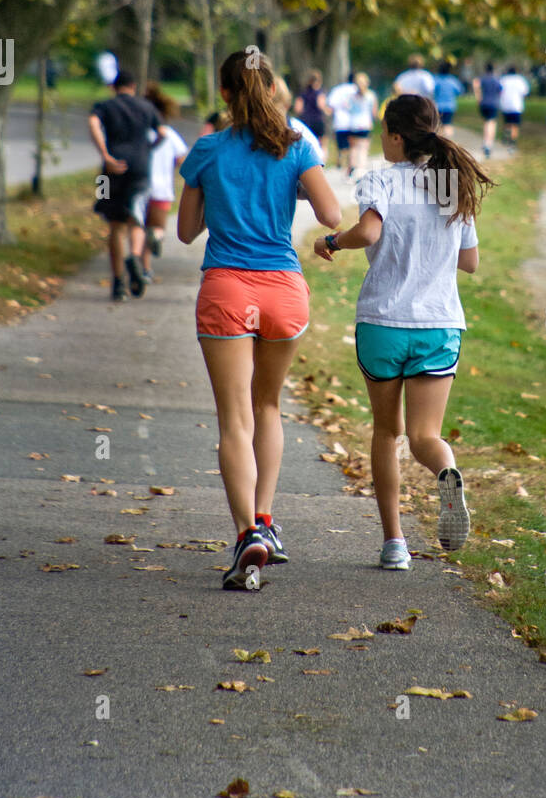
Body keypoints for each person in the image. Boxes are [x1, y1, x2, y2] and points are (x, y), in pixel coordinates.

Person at [177, 49, 341, 590]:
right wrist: (286, 184)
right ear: (271, 90)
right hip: (284, 291)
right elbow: (331, 215)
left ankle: (246, 531)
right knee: (267, 405)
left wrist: (223, 197)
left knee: (233, 421)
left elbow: (185, 230)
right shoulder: (297, 143)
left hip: (226, 288)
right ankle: (266, 525)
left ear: (224, 93)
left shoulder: (206, 150)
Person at [313, 95, 494, 568]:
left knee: (386, 432)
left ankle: (395, 543)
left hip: (383, 323)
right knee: (423, 436)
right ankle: (447, 472)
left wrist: (331, 241)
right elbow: (470, 262)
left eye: (383, 134)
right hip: (439, 325)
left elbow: (369, 234)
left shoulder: (380, 179)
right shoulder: (452, 186)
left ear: (395, 135)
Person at [89, 70, 165, 302]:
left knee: (115, 225)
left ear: (114, 87)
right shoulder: (147, 107)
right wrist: (148, 149)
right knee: (137, 219)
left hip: (112, 169)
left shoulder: (104, 106)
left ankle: (118, 283)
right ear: (133, 86)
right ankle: (134, 257)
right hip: (140, 169)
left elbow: (93, 122)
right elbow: (162, 133)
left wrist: (105, 154)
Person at [142, 84, 189, 281]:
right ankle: (157, 238)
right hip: (162, 191)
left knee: (142, 230)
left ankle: (145, 270)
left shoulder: (141, 133)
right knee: (157, 229)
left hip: (141, 188)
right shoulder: (169, 135)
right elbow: (182, 161)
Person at [345, 72, 378, 176]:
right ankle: (361, 167)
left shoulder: (351, 96)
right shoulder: (371, 95)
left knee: (353, 148)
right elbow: (374, 112)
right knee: (363, 147)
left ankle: (353, 167)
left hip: (353, 123)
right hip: (365, 124)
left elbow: (347, 108)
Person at [293, 69, 329, 160]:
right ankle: (322, 160)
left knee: (309, 142)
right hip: (318, 120)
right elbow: (321, 105)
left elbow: (298, 109)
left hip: (306, 121)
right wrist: (328, 111)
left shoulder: (303, 93)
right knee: (322, 143)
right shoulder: (320, 92)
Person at [326, 75, 357, 172]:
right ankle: (350, 163)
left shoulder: (337, 90)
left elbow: (330, 107)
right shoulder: (356, 89)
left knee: (342, 145)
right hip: (354, 122)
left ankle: (343, 162)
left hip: (340, 122)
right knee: (352, 145)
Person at [472, 61, 503, 157]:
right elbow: (501, 90)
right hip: (493, 103)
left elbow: (475, 85)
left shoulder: (482, 78)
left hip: (483, 103)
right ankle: (488, 144)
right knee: (491, 123)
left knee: (486, 122)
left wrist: (478, 98)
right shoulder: (496, 79)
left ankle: (485, 142)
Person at [499, 64, 531, 150]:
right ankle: (512, 142)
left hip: (505, 105)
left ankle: (506, 134)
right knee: (515, 125)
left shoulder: (503, 79)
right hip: (516, 105)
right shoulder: (520, 80)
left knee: (507, 122)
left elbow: (499, 91)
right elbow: (525, 92)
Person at [432, 61, 466, 138]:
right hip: (450, 106)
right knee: (448, 125)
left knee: (438, 126)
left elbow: (431, 90)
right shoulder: (453, 80)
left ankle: (439, 143)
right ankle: (448, 142)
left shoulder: (436, 79)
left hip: (438, 106)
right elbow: (460, 91)